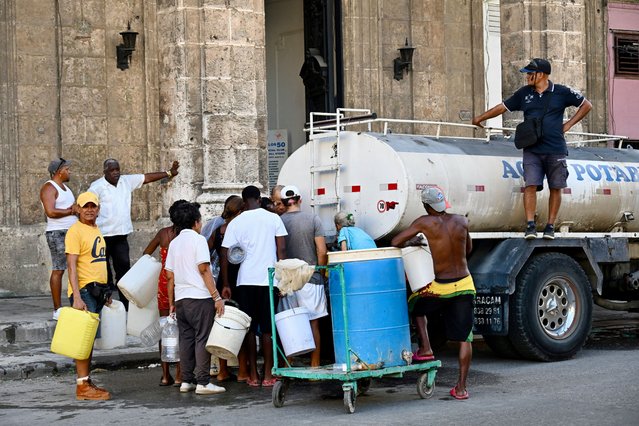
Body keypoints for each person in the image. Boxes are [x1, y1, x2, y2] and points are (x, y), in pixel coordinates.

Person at [471, 58, 592, 240]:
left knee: (555, 187)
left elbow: (586, 105)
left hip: (555, 148)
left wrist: (568, 125)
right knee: (530, 185)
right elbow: (502, 107)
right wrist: (480, 117)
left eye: (530, 73)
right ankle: (530, 225)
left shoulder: (561, 92)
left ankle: (550, 226)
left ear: (541, 74)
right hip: (532, 148)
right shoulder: (524, 93)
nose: (527, 76)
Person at [391, 187, 475, 400]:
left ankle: (426, 348)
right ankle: (462, 388)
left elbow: (395, 242)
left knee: (415, 304)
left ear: (426, 206)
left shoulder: (424, 222)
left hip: (441, 286)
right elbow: (468, 250)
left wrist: (413, 242)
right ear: (444, 203)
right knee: (465, 338)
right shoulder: (462, 221)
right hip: (465, 284)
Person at [89, 158, 180, 309]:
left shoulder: (126, 181)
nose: (116, 173)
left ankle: (125, 306)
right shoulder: (96, 187)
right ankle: (103, 305)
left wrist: (169, 172)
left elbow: (147, 177)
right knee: (103, 274)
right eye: (112, 170)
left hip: (121, 236)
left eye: (117, 169)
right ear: (105, 172)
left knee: (123, 270)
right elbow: (88, 208)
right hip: (102, 236)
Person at [221, 185, 287, 387]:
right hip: (269, 279)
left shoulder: (236, 222)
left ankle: (252, 374)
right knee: (267, 329)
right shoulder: (273, 218)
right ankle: (268, 374)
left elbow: (225, 254)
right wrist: (282, 278)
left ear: (243, 201)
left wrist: (225, 283)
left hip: (245, 281)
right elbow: (281, 249)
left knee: (249, 329)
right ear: (259, 199)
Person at [165, 201, 226, 395]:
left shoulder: (174, 243)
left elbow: (170, 276)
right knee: (202, 338)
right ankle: (203, 382)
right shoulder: (198, 240)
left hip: (181, 299)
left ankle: (186, 380)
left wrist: (172, 303)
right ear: (196, 222)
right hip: (199, 297)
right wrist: (216, 296)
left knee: (186, 339)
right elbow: (204, 269)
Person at [65, 192, 111, 400]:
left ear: (98, 209)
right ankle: (82, 386)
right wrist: (76, 296)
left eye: (93, 206)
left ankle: (86, 381)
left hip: (97, 291)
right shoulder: (75, 231)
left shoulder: (94, 228)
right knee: (84, 340)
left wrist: (106, 290)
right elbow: (71, 266)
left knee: (89, 340)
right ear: (78, 208)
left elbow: (99, 261)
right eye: (85, 206)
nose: (90, 209)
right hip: (84, 291)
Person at [279, 185, 328, 367]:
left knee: (290, 322)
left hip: (288, 280)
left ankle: (288, 364)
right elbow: (321, 251)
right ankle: (314, 366)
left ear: (283, 203)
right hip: (311, 277)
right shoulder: (313, 218)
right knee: (314, 323)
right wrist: (321, 272)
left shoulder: (279, 221)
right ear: (300, 200)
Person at [142, 199, 188, 387]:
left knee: (165, 329)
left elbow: (146, 253)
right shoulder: (187, 237)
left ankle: (165, 375)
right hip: (182, 283)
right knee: (182, 330)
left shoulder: (163, 234)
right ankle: (179, 374)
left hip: (163, 283)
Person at [210, 195, 245, 382]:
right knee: (242, 323)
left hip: (222, 282)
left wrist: (221, 282)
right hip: (237, 280)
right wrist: (227, 283)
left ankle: (223, 370)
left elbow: (208, 251)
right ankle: (242, 370)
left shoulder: (218, 230)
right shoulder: (239, 229)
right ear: (240, 211)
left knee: (222, 324)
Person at [40, 158, 78, 320]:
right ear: (59, 171)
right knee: (59, 269)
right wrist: (72, 211)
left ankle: (75, 301)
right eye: (67, 169)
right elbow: (51, 211)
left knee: (73, 267)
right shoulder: (49, 187)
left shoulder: (66, 188)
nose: (69, 172)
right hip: (58, 233)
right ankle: (57, 309)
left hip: (71, 232)